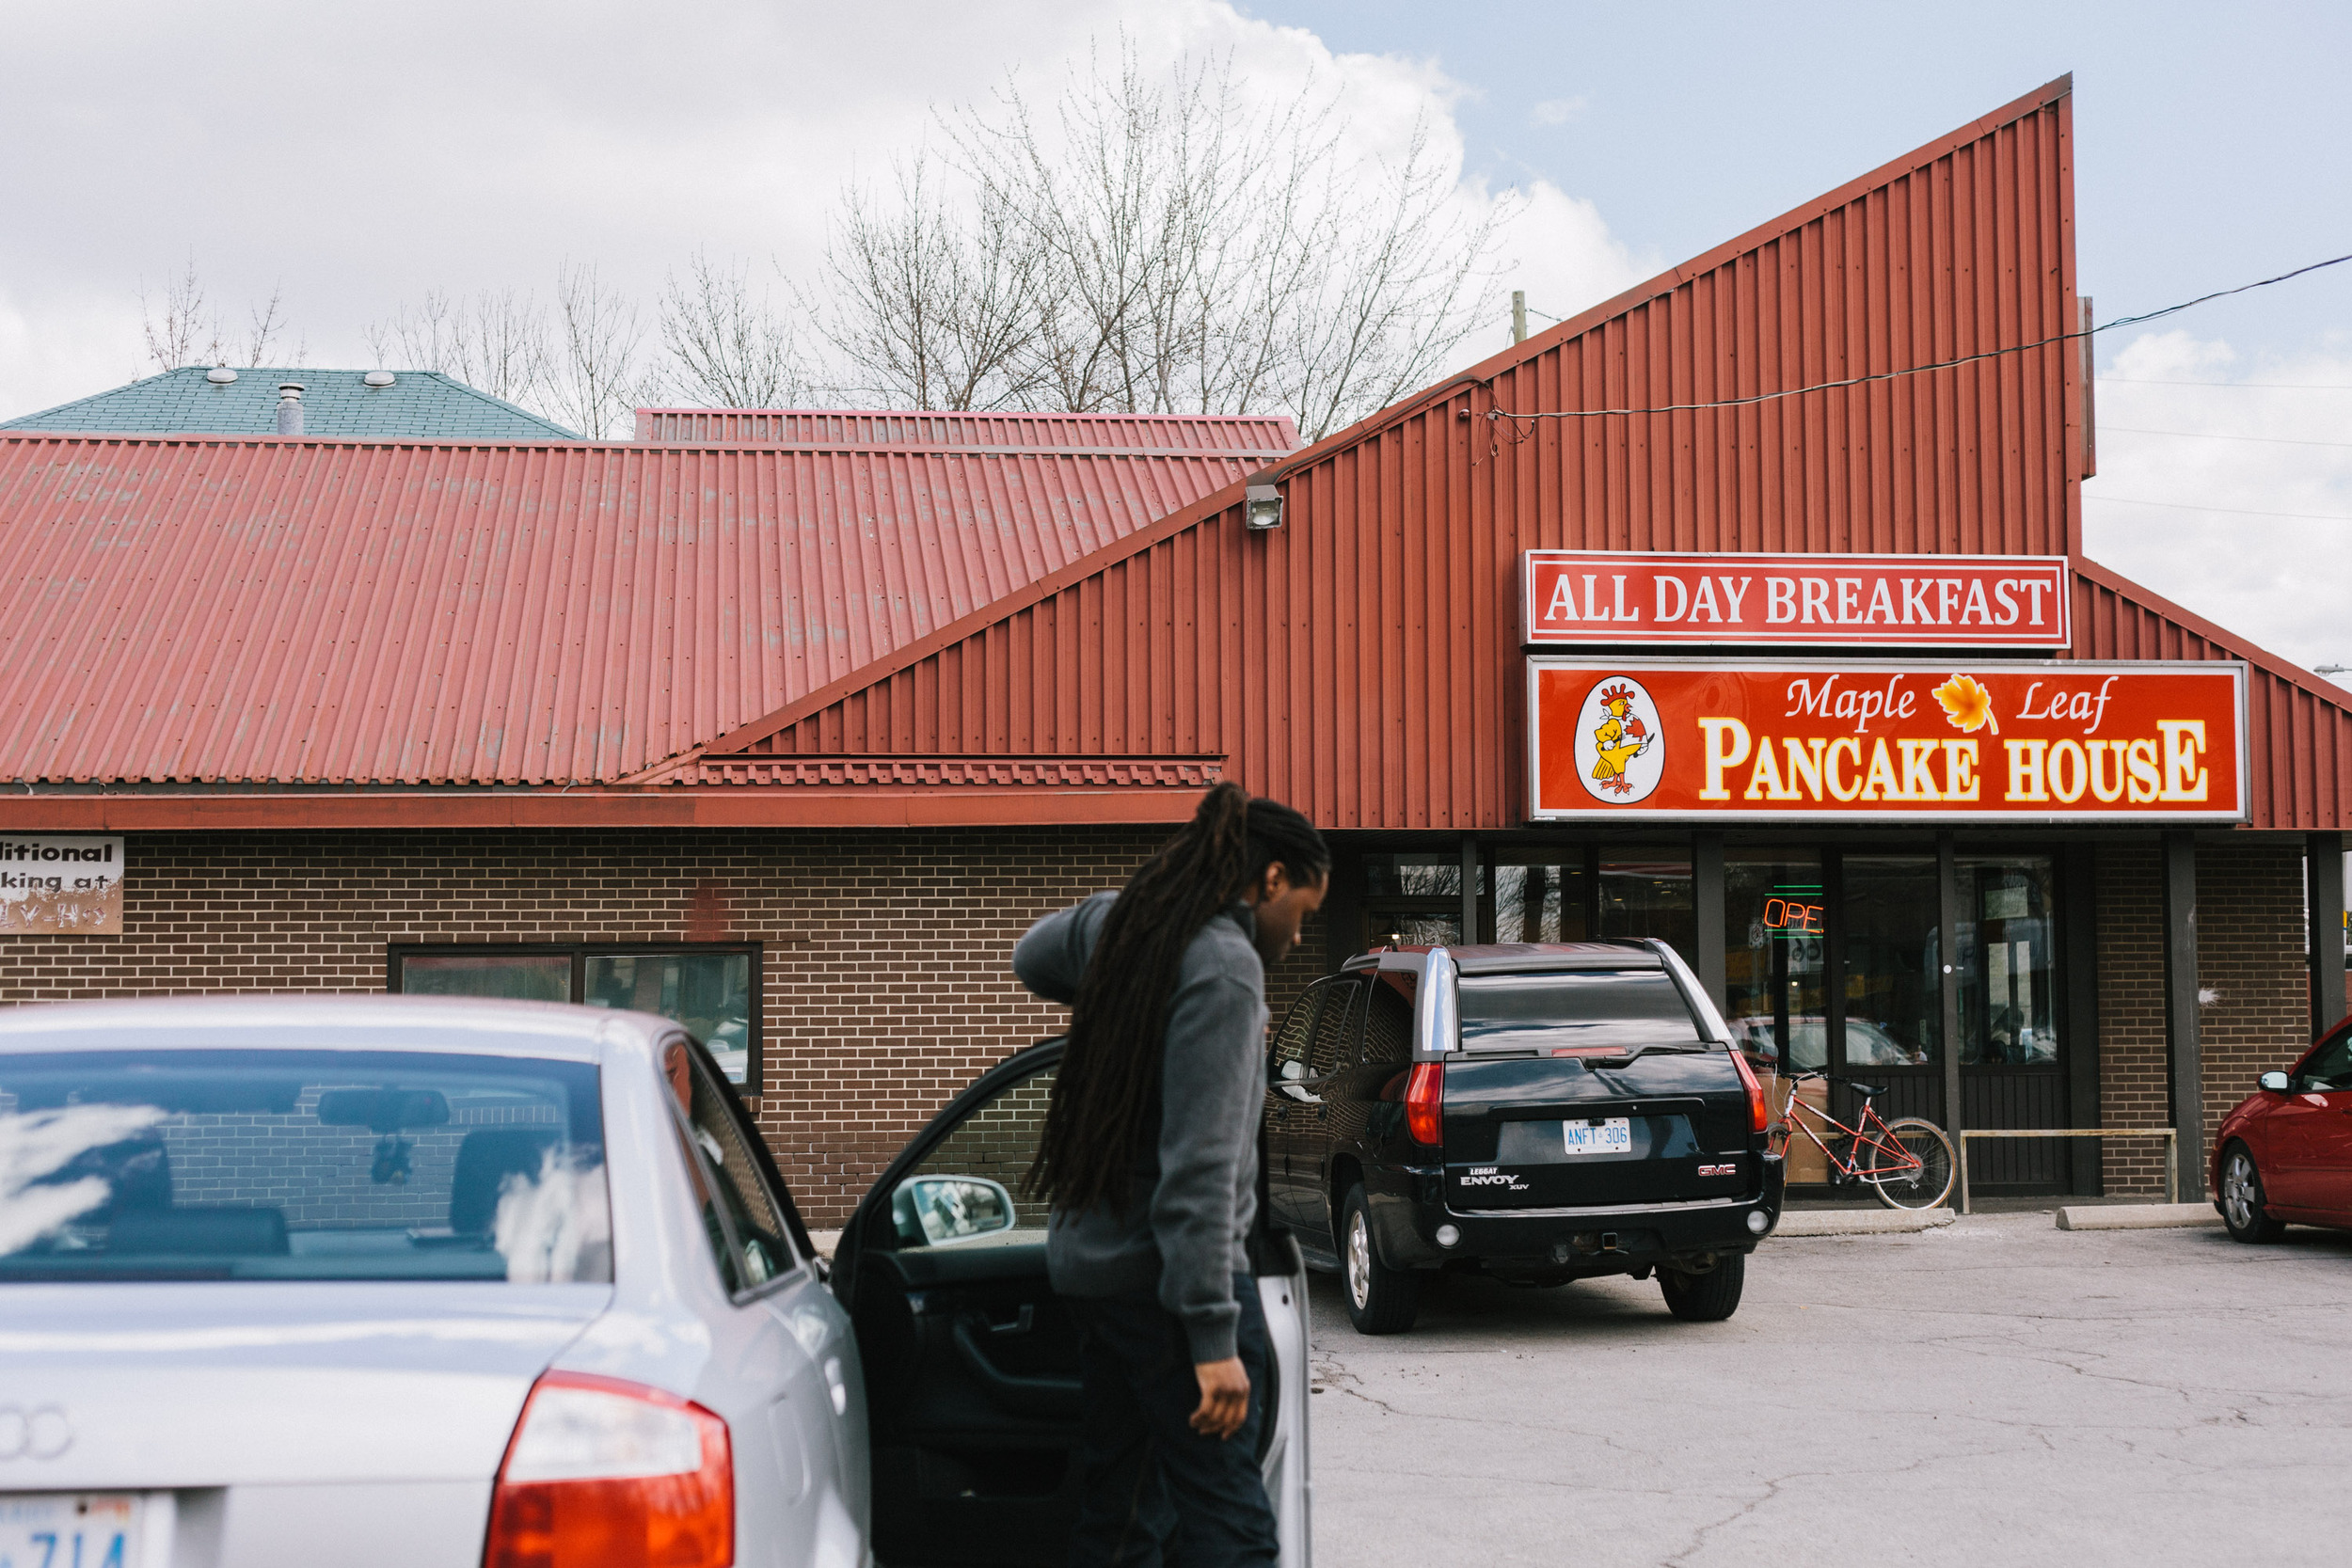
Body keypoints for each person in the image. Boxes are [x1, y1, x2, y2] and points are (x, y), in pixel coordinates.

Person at [1014, 783, 1329, 1568]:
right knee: (1233, 1528)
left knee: (1122, 1521)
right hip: (1168, 1296)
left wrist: (1132, 919)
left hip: (1099, 1281)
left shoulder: (1142, 933)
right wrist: (1212, 1337)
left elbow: (1034, 953)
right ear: (1270, 880)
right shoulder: (1225, 970)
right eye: (1304, 911)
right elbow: (1201, 1174)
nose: (1296, 937)